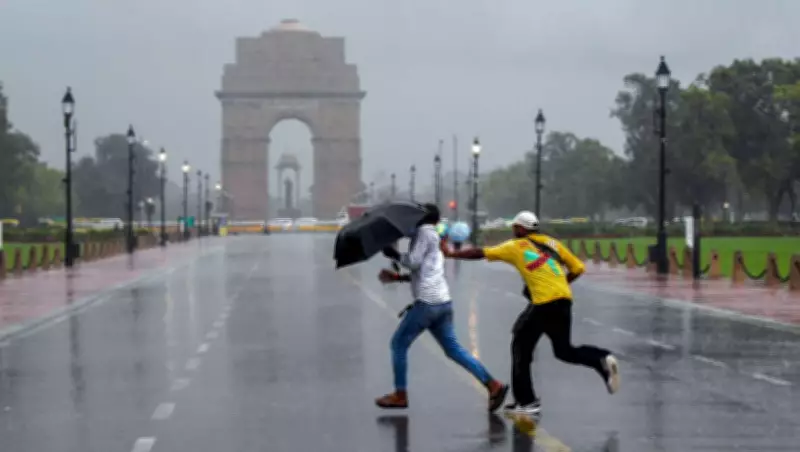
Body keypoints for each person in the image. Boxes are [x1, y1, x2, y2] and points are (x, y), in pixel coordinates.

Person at [440, 210, 620, 415]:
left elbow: (481, 252)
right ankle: (601, 358)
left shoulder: (516, 246)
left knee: (520, 345)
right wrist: (560, 283)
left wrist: (452, 254)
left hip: (544, 303)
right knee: (564, 351)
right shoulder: (552, 243)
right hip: (563, 300)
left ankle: (527, 401)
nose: (513, 231)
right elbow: (578, 268)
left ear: (520, 228)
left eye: (514, 228)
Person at [375, 203, 508, 411]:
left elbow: (414, 262)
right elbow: (427, 272)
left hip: (427, 304)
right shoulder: (433, 235)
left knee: (398, 344)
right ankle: (494, 385)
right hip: (442, 303)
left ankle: (400, 395)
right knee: (453, 349)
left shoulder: (424, 233)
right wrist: (399, 277)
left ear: (422, 218)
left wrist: (393, 254)